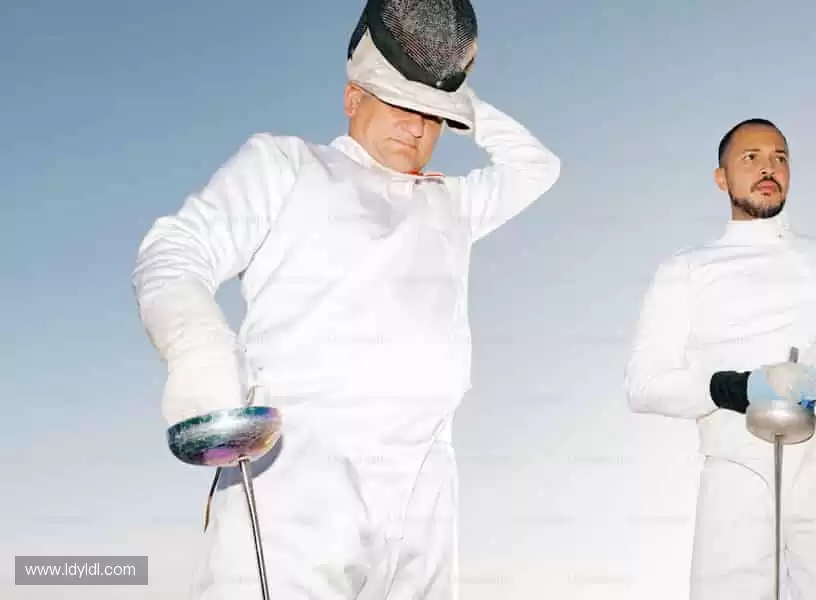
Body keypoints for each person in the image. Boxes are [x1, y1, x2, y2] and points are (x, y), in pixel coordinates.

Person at [131, 1, 560, 598]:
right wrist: (196, 347)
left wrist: (447, 83)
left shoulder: (451, 204)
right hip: (299, 469)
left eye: (432, 116)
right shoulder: (288, 165)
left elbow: (536, 167)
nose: (417, 127)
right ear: (352, 97)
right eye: (399, 102)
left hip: (426, 483)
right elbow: (175, 249)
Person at [624, 118, 816, 600]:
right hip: (737, 464)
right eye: (751, 158)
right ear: (721, 177)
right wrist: (741, 387)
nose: (769, 168)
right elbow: (643, 385)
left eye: (779, 158)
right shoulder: (686, 268)